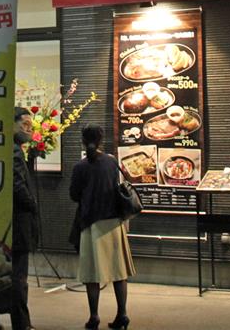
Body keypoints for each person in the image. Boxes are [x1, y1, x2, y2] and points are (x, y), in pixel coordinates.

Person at [70, 124, 135, 330]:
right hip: (114, 223)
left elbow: (74, 195)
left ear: (83, 140)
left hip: (91, 224)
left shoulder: (80, 167)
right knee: (119, 272)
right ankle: (122, 314)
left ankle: (94, 316)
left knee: (92, 274)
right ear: (101, 140)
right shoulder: (111, 161)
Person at [0, 107, 40, 330]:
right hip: (16, 224)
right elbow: (17, 186)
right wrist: (32, 204)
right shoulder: (13, 151)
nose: (29, 129)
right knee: (18, 278)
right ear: (11, 125)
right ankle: (21, 324)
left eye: (31, 125)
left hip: (0, 223)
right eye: (24, 124)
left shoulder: (1, 148)